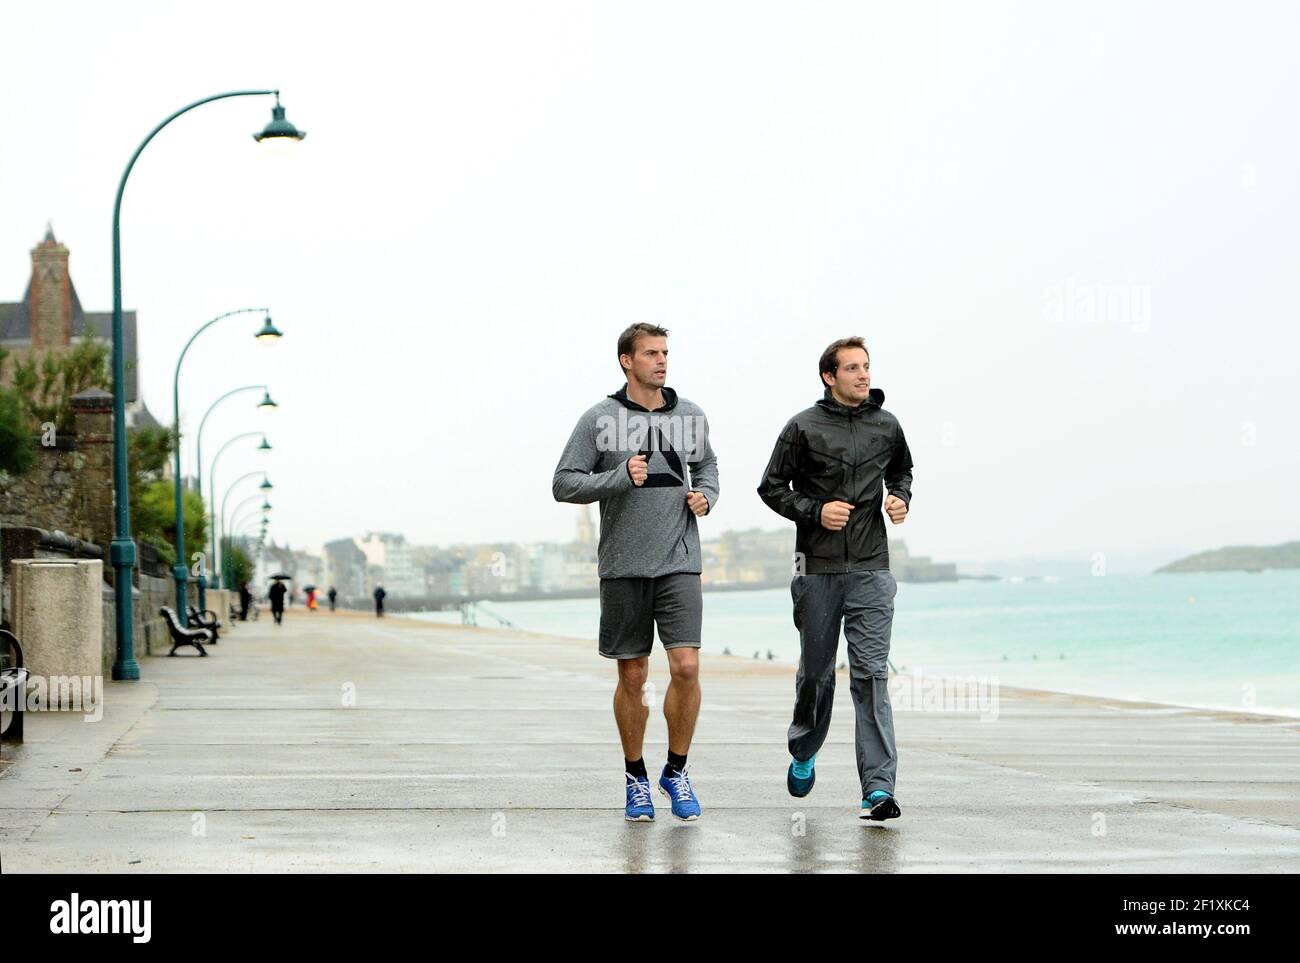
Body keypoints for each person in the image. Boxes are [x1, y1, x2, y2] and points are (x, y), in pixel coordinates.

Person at [552, 323, 720, 822]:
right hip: (624, 566)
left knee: (687, 666)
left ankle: (677, 769)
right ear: (626, 360)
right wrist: (619, 478)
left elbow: (708, 466)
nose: (662, 361)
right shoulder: (599, 419)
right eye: (651, 353)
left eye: (665, 352)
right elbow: (564, 483)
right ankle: (635, 777)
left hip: (680, 560)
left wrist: (706, 496)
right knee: (634, 673)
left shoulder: (691, 414)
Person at [757, 336, 913, 822]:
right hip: (816, 569)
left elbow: (903, 471)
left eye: (866, 367)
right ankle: (804, 748)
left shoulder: (886, 425)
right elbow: (771, 488)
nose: (864, 375)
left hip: (871, 567)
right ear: (830, 376)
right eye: (853, 368)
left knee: (871, 676)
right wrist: (815, 511)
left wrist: (900, 498)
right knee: (817, 675)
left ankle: (879, 789)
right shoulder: (802, 427)